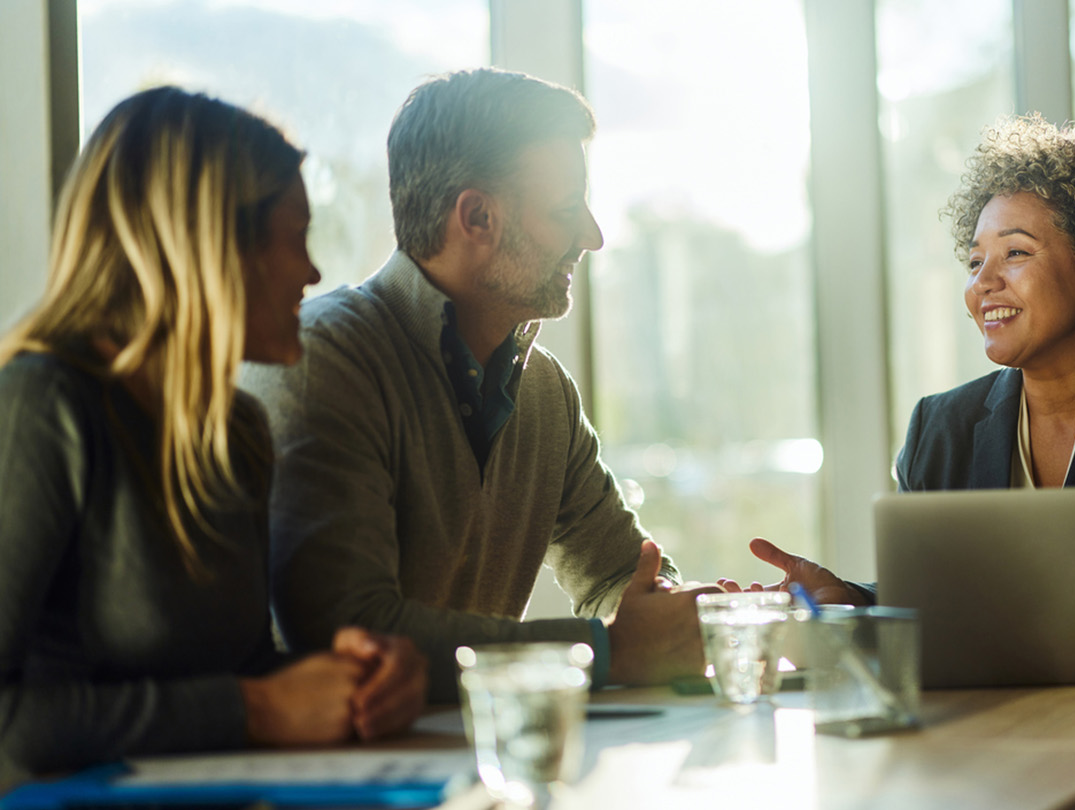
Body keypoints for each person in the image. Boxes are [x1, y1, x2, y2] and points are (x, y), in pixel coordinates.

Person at [723, 115, 1075, 810]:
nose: (982, 283)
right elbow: (937, 599)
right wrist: (858, 601)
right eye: (973, 260)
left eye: (1014, 254)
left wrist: (1032, 604)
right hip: (981, 751)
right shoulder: (942, 426)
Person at [0, 87, 427, 788]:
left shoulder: (237, 431)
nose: (314, 273)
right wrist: (255, 708)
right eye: (295, 237)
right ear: (213, 246)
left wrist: (364, 681)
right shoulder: (42, 408)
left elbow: (243, 672)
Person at [240, 68, 711, 703]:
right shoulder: (324, 359)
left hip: (475, 771)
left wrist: (686, 613)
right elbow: (346, 630)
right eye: (566, 210)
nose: (592, 236)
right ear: (477, 216)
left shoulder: (545, 392)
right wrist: (603, 651)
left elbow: (622, 576)